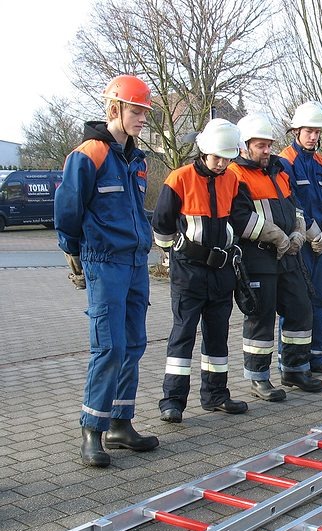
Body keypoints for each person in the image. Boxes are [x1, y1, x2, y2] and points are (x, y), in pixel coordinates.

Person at [54, 74, 160, 468]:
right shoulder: (89, 154)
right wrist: (74, 254)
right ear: (115, 108)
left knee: (133, 344)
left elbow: (132, 211)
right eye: (137, 111)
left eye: (145, 113)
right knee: (109, 347)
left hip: (134, 262)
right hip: (105, 262)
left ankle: (120, 423)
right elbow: (68, 210)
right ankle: (92, 430)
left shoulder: (136, 158)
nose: (142, 120)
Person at [153, 119, 250, 423]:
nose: (222, 164)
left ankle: (216, 395)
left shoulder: (232, 180)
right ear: (204, 151)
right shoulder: (179, 178)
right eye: (217, 157)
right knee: (182, 336)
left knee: (218, 337)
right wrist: (171, 257)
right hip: (189, 271)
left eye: (227, 158)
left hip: (221, 271)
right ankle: (172, 401)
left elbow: (241, 217)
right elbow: (162, 224)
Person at [228, 113, 322, 396]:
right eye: (261, 146)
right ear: (244, 146)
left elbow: (294, 207)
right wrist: (276, 235)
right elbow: (240, 218)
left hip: (288, 255)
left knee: (300, 309)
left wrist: (297, 231)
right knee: (261, 317)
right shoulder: (236, 175)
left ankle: (295, 370)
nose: (267, 150)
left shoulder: (279, 170)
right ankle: (259, 377)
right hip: (258, 257)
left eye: (269, 144)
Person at [278, 101, 322, 375]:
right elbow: (292, 205)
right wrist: (316, 234)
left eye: (317, 132)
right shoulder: (285, 161)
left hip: (319, 245)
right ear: (296, 131)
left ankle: (316, 357)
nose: (314, 137)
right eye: (309, 131)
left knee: (318, 301)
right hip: (299, 244)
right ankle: (292, 361)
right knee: (296, 302)